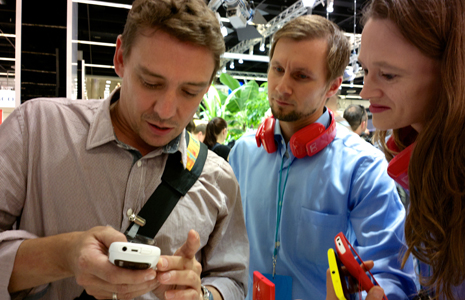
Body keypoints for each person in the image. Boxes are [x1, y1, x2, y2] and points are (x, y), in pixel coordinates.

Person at [0, 0, 249, 299]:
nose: (167, 110)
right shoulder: (36, 128)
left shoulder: (218, 178)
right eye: (150, 82)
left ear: (208, 86)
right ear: (120, 58)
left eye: (190, 91)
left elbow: (233, 281)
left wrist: (204, 295)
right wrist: (63, 255)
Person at [229, 14, 417, 300]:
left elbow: (390, 272)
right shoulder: (243, 153)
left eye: (301, 76)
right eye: (277, 69)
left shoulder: (363, 167)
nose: (281, 87)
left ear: (332, 86)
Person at [327, 0, 465, 299]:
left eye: (388, 75)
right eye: (365, 69)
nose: (365, 91)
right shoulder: (426, 167)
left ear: (450, 75)